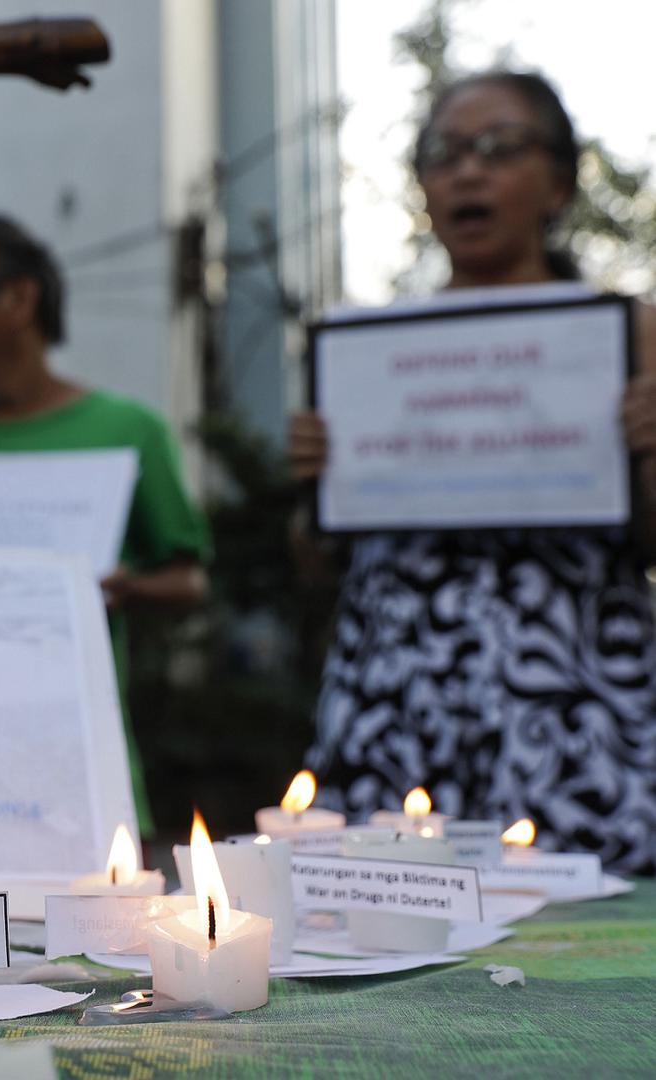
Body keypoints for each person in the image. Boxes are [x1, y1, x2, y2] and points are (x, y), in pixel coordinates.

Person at [291, 72, 656, 873]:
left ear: (556, 183)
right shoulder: (366, 356)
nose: (467, 172)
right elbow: (315, 565)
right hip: (394, 704)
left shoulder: (630, 336)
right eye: (443, 153)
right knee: (383, 925)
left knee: (591, 937)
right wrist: (315, 490)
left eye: (498, 149)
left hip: (571, 712)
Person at [0, 213, 212, 835]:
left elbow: (190, 582)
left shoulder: (126, 430)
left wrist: (126, 589)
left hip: (80, 783)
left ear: (18, 299)